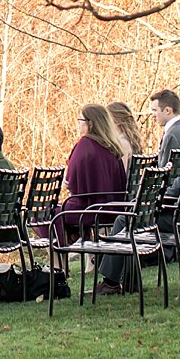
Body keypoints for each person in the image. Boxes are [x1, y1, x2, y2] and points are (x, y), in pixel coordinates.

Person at [98, 100, 180, 293]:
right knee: (130, 219)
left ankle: (111, 282)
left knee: (124, 219)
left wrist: (152, 201)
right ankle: (127, 281)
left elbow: (178, 189)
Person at [54, 104, 128, 253]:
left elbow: (72, 184)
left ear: (90, 123)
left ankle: (60, 261)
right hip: (114, 209)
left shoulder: (85, 144)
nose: (77, 123)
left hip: (90, 210)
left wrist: (65, 183)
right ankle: (85, 251)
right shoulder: (113, 147)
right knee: (58, 212)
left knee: (44, 215)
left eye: (80, 120)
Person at [149, 89, 180, 166]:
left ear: (167, 110)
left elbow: (164, 171)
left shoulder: (172, 135)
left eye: (155, 110)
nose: (153, 115)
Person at [108, 101, 145, 166]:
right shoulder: (131, 141)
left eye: (107, 118)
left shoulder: (122, 143)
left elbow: (121, 174)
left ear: (117, 121)